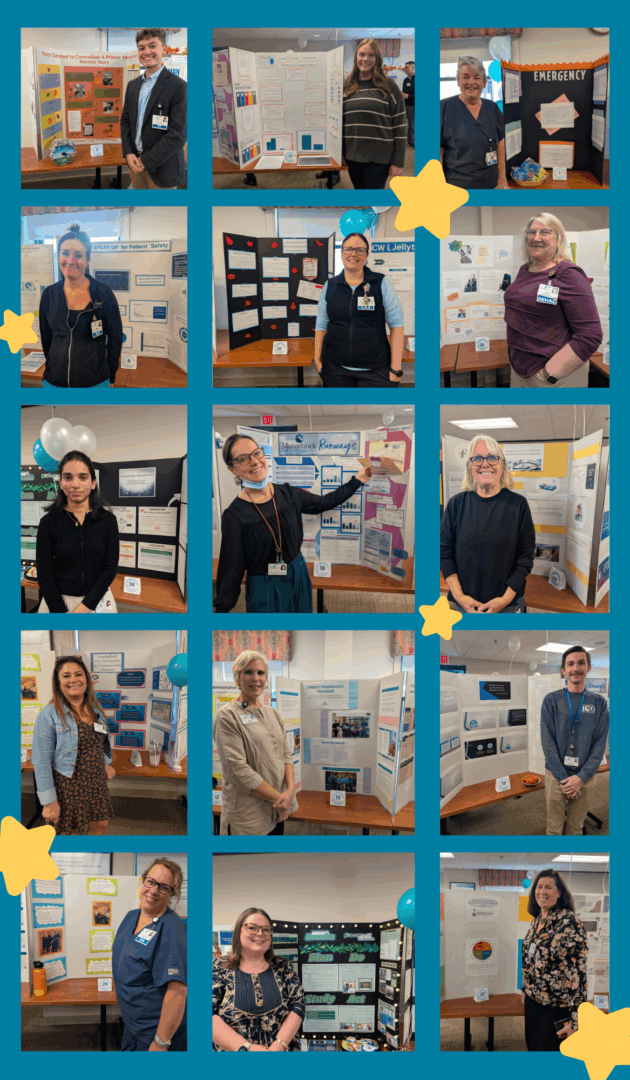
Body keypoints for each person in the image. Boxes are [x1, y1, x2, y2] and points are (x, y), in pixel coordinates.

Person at [214, 435, 373, 613]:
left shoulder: (288, 494)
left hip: (298, 572)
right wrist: (222, 612)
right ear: (232, 469)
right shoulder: (235, 515)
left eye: (256, 453)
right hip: (264, 586)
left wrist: (357, 480)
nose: (254, 462)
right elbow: (231, 569)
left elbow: (324, 503)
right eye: (242, 459)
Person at [504, 214, 603, 387]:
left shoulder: (569, 274)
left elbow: (590, 335)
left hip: (552, 376)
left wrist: (548, 374)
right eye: (532, 232)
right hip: (518, 370)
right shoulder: (525, 270)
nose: (536, 238)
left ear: (559, 238)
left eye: (545, 232)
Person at [440, 435, 535, 613]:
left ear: (502, 465)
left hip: (507, 605)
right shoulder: (456, 504)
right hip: (463, 604)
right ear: (470, 467)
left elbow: (525, 557)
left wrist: (504, 600)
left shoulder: (518, 505)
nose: (485, 464)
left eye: (492, 457)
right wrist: (460, 598)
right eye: (477, 458)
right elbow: (445, 554)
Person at [213, 651, 297, 835]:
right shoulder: (227, 716)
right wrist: (281, 799)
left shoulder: (273, 713)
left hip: (277, 810)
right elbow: (238, 770)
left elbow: (286, 754)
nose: (256, 678)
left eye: (261, 673)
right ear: (237, 678)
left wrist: (289, 791)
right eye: (248, 672)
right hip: (248, 816)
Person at [31, 655, 116, 835]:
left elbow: (98, 742)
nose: (73, 680)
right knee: (72, 833)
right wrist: (49, 801)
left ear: (86, 679)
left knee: (100, 825)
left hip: (96, 782)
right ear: (58, 682)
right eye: (66, 676)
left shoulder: (95, 709)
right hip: (68, 785)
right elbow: (40, 761)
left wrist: (106, 763)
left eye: (78, 674)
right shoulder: (49, 715)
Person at [112, 858, 187, 1050]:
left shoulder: (172, 928)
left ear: (172, 894)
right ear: (143, 881)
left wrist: (161, 1043)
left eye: (163, 887)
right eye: (151, 882)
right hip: (132, 1025)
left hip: (155, 1033)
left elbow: (178, 991)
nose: (153, 890)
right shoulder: (131, 916)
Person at [314, 233, 405, 387]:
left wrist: (396, 369)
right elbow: (321, 325)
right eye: (348, 249)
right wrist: (317, 360)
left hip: (375, 371)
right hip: (335, 369)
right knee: (340, 410)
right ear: (342, 254)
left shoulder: (381, 283)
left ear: (366, 255)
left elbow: (397, 326)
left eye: (360, 250)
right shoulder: (330, 286)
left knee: (372, 411)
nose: (353, 254)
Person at [38, 224, 122, 388]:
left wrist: (111, 375)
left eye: (78, 255)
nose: (70, 261)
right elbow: (46, 338)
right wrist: (55, 367)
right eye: (65, 254)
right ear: (58, 257)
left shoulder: (103, 294)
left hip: (95, 383)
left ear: (87, 260)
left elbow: (115, 338)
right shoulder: (49, 295)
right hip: (54, 383)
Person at [35, 451, 119, 613]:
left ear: (93, 483)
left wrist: (83, 609)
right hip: (57, 603)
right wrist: (61, 613)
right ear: (60, 483)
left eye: (83, 477)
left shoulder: (108, 521)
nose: (75, 484)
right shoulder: (48, 522)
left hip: (97, 601)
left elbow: (109, 569)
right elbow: (45, 573)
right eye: (68, 477)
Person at [213, 907, 305, 1051]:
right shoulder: (218, 967)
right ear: (238, 932)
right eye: (252, 928)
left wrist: (278, 1045)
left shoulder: (284, 967)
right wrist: (246, 1048)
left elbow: (298, 1005)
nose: (260, 933)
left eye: (266, 929)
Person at [541, 646, 609, 835]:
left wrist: (580, 778)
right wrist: (564, 780)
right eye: (570, 664)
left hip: (585, 777)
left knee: (576, 828)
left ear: (588, 667)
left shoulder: (599, 703)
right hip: (556, 775)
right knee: (553, 828)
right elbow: (548, 742)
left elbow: (599, 744)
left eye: (581, 663)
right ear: (564, 670)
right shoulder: (551, 700)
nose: (576, 668)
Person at [521, 869, 587, 1051]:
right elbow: (529, 959)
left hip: (555, 1007)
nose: (542, 891)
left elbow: (579, 975)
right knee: (533, 1047)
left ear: (559, 893)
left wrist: (576, 1022)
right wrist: (525, 989)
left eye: (548, 887)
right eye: (539, 887)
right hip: (532, 1003)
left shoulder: (569, 922)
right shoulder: (536, 921)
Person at [120, 28, 187, 190]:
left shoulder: (179, 87)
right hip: (135, 164)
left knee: (160, 214)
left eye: (152, 46)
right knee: (140, 210)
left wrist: (147, 161)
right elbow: (126, 121)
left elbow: (177, 135)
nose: (146, 52)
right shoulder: (133, 86)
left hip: (164, 167)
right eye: (142, 48)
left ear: (164, 50)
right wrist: (129, 153)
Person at [342, 38, 407, 189]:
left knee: (374, 201)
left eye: (371, 55)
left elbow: (400, 125)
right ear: (356, 57)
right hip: (353, 156)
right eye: (362, 54)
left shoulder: (388, 86)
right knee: (360, 195)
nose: (365, 59)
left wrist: (398, 162)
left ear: (377, 59)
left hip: (379, 158)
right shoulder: (347, 86)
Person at [440, 55, 507, 189]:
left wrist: (502, 177)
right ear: (458, 81)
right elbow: (438, 150)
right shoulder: (444, 108)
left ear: (484, 82)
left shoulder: (493, 108)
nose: (471, 82)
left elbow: (500, 144)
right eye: (465, 77)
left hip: (491, 184)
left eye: (477, 77)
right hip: (455, 186)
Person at [402, 62, 415, 147]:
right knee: (403, 123)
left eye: (406, 67)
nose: (405, 69)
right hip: (404, 105)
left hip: (414, 106)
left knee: (412, 124)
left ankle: (412, 142)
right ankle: (404, 140)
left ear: (413, 67)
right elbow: (404, 91)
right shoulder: (406, 80)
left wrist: (408, 96)